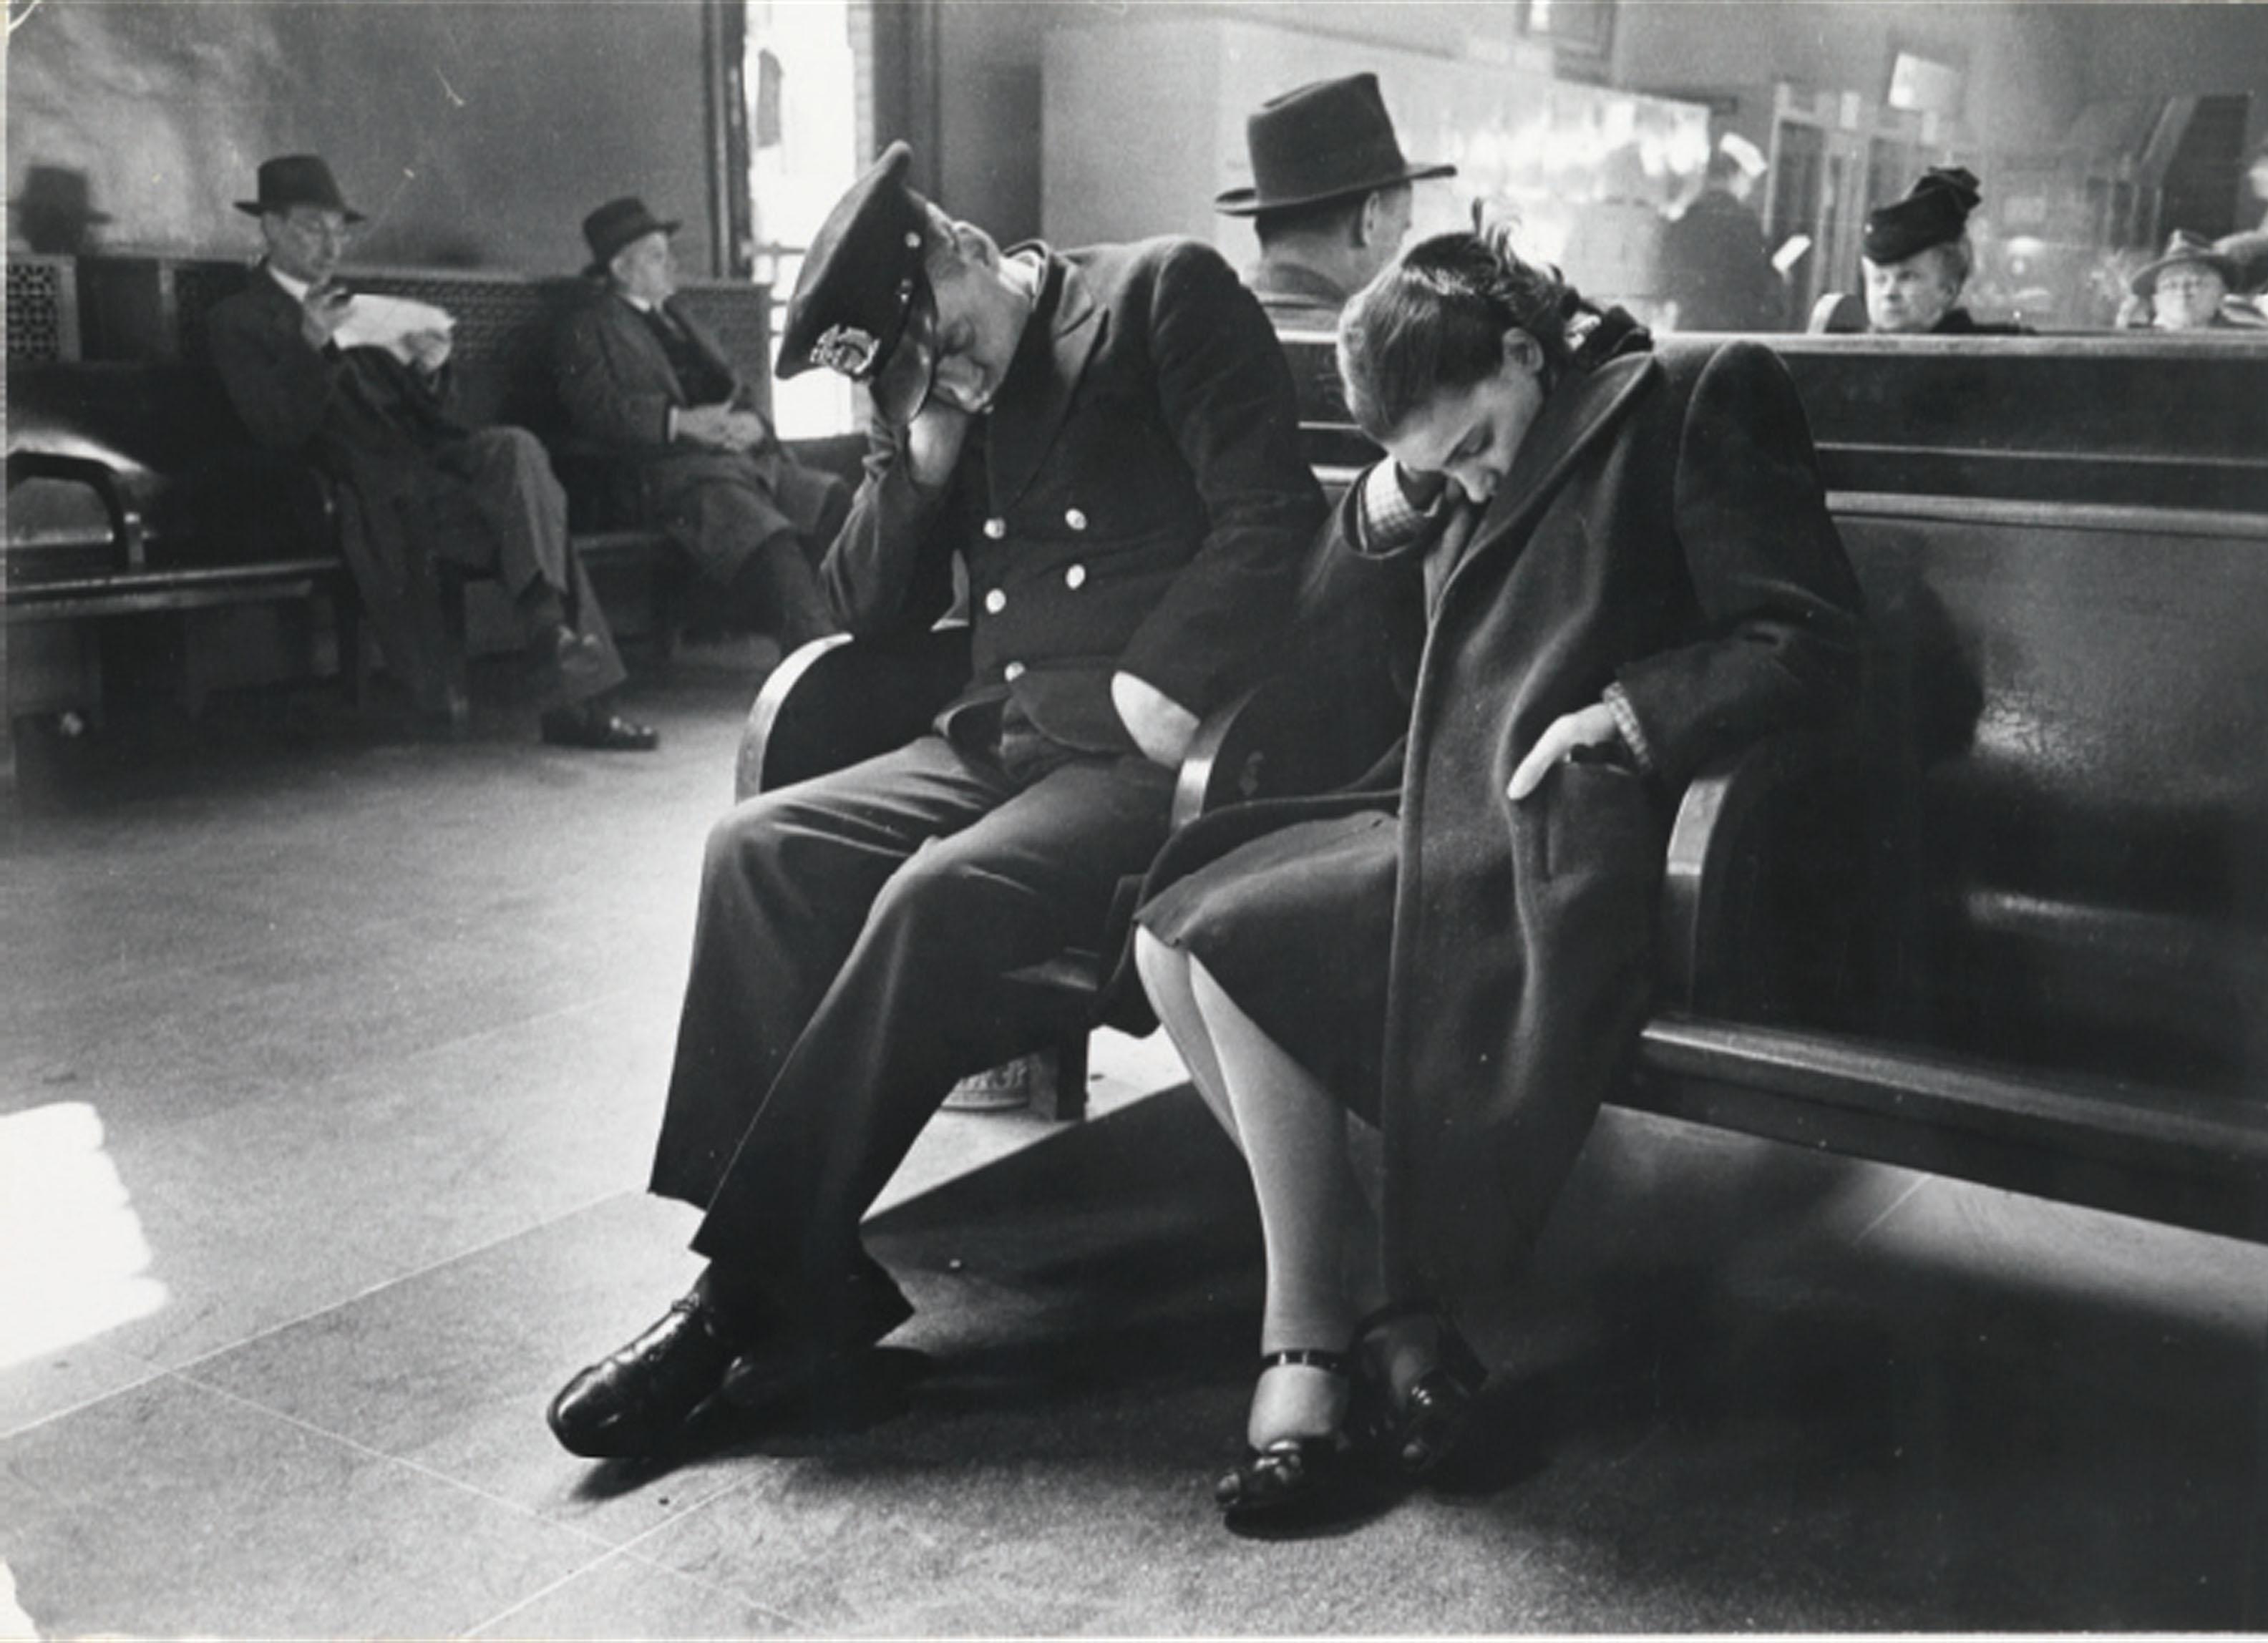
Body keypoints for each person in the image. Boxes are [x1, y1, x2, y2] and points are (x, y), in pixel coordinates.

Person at [545, 141, 1328, 1461]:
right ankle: (801, 1262)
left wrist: (1166, 674)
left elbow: (1271, 517)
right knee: (758, 846)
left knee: (936, 894)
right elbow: (866, 610)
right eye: (923, 372)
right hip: (1001, 737)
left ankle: (741, 1293)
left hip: (1150, 756)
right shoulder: (946, 392)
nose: (956, 374)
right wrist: (912, 460)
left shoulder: (1160, 297)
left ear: (962, 247)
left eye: (949, 345)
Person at [1128, 220, 1861, 1530]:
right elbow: (1343, 604)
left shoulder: (1691, 394)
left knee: (1229, 937)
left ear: (1528, 347)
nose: (1471, 479)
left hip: (1565, 823)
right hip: (1440, 798)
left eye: (1473, 444)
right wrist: (1403, 497)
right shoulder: (1462, 459)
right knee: (1161, 937)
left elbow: (1808, 643)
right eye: (1440, 471)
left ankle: (1304, 1341)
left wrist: (1630, 720)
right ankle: (1396, 1316)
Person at [208, 155, 655, 750]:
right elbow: (275, 430)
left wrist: (431, 371)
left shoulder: (359, 307)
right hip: (364, 491)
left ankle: (553, 640)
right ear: (270, 228)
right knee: (538, 517)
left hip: (431, 473)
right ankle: (576, 697)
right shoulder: (237, 320)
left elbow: (442, 422)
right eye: (314, 228)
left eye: (340, 230)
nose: (330, 245)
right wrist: (307, 349)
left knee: (517, 450)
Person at [553, 196, 850, 653]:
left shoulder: (682, 319)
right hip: (666, 475)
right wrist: (680, 423)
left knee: (832, 500)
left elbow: (738, 389)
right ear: (620, 268)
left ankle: (859, 640)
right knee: (765, 533)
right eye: (656, 256)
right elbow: (597, 412)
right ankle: (820, 658)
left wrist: (753, 425)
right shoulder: (589, 327)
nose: (672, 264)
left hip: (739, 462)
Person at [1213, 72, 1454, 332]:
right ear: (1368, 220)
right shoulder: (1367, 359)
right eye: (1401, 232)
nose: (1397, 257)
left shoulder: (1199, 333)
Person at [1859, 167, 2027, 336]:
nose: (1889, 293)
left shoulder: (1995, 355)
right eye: (1879, 279)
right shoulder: (1848, 356)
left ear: (1947, 290)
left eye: (1907, 277)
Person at [1655, 132, 1784, 332]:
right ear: (1736, 174)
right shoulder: (1746, 225)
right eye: (1749, 181)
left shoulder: (1685, 221)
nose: (1749, 189)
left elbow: (1666, 282)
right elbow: (1761, 284)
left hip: (1690, 332)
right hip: (1732, 333)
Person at [2118, 229, 2268, 331]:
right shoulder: (2135, 344)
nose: (2182, 292)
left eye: (2196, 283)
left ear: (2221, 292)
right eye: (2170, 286)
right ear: (2156, 300)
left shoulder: (2252, 341)